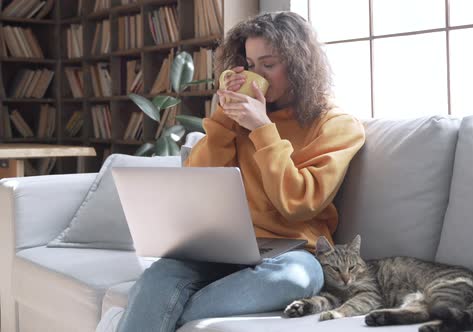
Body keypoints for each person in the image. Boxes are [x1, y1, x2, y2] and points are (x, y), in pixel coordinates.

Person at [97, 11, 365, 332]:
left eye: (269, 65)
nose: (258, 75)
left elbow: (298, 204)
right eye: (251, 66)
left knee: (296, 278)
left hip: (291, 252)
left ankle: (137, 321)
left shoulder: (337, 125)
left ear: (300, 65)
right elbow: (198, 183)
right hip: (225, 247)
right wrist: (225, 119)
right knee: (161, 274)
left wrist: (263, 128)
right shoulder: (236, 120)